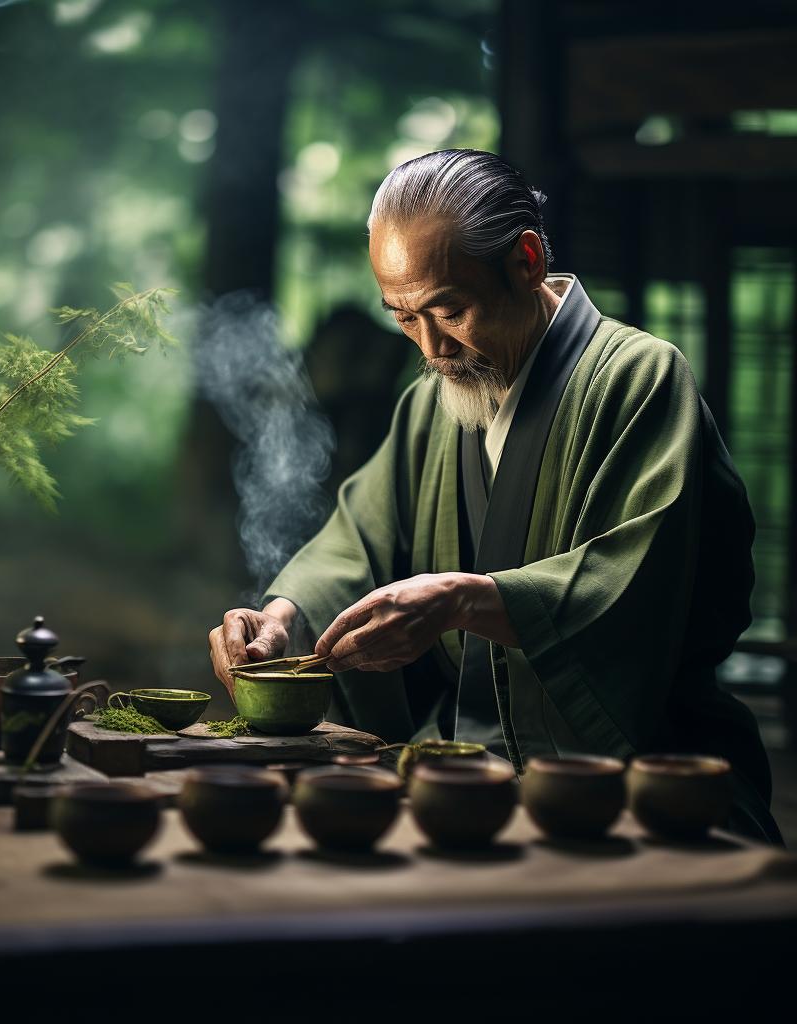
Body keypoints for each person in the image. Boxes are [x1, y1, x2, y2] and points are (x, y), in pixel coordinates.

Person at [207, 149, 780, 843]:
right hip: (456, 769)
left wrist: (466, 600)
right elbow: (357, 541)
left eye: (450, 310)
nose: (432, 349)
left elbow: (644, 584)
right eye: (402, 317)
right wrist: (282, 617)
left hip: (635, 776)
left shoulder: (638, 380)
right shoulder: (431, 406)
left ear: (527, 262)